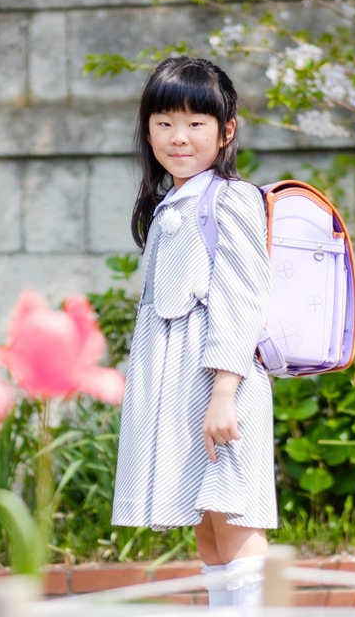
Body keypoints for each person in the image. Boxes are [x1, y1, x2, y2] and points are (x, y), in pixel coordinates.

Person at [112, 56, 275, 610]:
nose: (178, 137)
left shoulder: (231, 198)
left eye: (196, 123)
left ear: (227, 130)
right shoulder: (172, 202)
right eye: (163, 122)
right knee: (207, 526)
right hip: (183, 389)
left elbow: (242, 299)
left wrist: (225, 394)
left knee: (233, 516)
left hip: (215, 388)